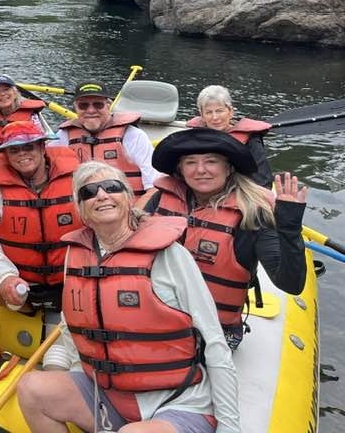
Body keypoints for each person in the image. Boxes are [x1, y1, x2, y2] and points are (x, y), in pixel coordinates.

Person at [17, 161, 241, 433]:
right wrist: (59, 368)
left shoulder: (169, 255)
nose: (101, 195)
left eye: (111, 187)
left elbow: (215, 342)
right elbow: (70, 330)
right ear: (81, 210)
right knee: (31, 389)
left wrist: (230, 427)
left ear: (128, 198)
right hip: (108, 395)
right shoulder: (76, 256)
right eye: (89, 192)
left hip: (176, 401)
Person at [142, 127, 307, 348]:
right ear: (180, 169)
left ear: (228, 167)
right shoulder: (161, 200)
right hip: (157, 316)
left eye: (211, 161)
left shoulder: (253, 214)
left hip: (216, 330)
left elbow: (291, 284)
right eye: (190, 162)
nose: (200, 170)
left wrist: (289, 228)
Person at [0, 121, 80, 351]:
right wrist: (5, 277)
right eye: (14, 150)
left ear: (42, 148)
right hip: (21, 286)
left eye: (29, 147)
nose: (22, 154)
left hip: (70, 284)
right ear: (5, 155)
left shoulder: (76, 181)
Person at [51, 81, 158, 196]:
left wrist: (137, 212)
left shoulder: (133, 136)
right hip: (81, 209)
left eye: (98, 105)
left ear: (108, 106)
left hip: (129, 209)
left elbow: (153, 187)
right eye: (83, 105)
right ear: (75, 108)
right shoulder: (62, 137)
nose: (91, 110)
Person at [186, 84, 273, 186]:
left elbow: (262, 180)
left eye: (219, 111)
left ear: (230, 112)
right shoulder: (194, 136)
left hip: (239, 188)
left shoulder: (251, 140)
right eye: (209, 112)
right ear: (202, 116)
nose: (215, 117)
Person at [0, 74, 46, 157]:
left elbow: (41, 145)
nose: (2, 94)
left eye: (6, 89)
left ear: (15, 93)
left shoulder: (32, 116)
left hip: (22, 161)